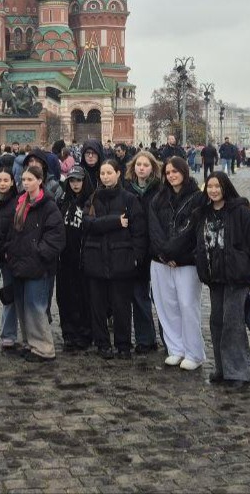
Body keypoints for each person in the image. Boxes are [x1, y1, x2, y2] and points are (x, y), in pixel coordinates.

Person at [195, 172, 250, 389]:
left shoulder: (241, 213)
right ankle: (221, 369)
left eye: (217, 186)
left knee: (233, 323)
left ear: (225, 187)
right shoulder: (203, 213)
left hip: (237, 276)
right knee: (217, 321)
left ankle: (239, 372)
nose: (213, 190)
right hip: (214, 276)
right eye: (210, 186)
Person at [82, 160, 146, 359]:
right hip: (96, 258)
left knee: (121, 306)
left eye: (109, 172)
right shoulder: (92, 198)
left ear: (118, 174)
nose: (105, 176)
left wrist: (136, 256)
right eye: (102, 173)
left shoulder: (129, 199)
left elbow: (139, 231)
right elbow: (87, 224)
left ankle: (123, 344)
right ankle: (102, 343)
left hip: (121, 258)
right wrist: (116, 222)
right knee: (98, 306)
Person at [148, 157, 207, 370]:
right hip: (161, 261)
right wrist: (164, 254)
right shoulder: (158, 197)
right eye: (168, 172)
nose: (172, 175)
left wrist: (173, 252)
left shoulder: (198, 197)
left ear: (184, 171)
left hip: (186, 261)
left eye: (175, 171)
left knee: (187, 306)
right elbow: (153, 228)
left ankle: (194, 353)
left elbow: (192, 230)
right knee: (166, 307)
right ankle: (176, 349)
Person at [5, 164, 64, 363]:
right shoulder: (20, 202)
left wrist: (39, 254)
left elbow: (56, 236)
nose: (26, 183)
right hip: (20, 263)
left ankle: (44, 348)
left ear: (40, 181)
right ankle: (30, 343)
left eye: (30, 179)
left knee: (36, 306)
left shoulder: (49, 205)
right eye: (24, 180)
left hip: (39, 265)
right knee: (22, 306)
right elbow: (13, 232)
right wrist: (11, 253)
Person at [123, 151, 163, 354]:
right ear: (133, 167)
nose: (141, 168)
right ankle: (144, 340)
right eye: (139, 164)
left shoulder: (160, 189)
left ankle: (169, 340)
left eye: (146, 165)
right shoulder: (126, 189)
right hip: (135, 250)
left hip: (156, 250)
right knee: (139, 296)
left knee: (163, 300)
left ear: (153, 168)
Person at [56, 166, 92, 353]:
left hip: (84, 257)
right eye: (72, 181)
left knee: (84, 298)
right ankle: (68, 334)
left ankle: (85, 334)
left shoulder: (91, 201)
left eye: (78, 180)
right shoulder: (62, 201)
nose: (75, 184)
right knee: (66, 298)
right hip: (65, 258)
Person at [0, 168, 19, 351]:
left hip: (9, 255)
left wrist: (9, 248)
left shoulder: (18, 202)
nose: (2, 183)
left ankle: (9, 334)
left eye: (5, 180)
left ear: (12, 182)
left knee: (10, 296)